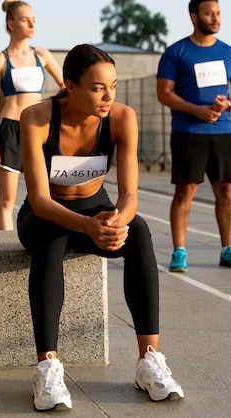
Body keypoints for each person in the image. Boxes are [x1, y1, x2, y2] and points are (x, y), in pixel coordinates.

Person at [16, 44, 184, 411]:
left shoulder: (122, 118)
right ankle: (47, 367)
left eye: (114, 85)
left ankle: (149, 360)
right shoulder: (36, 119)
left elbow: (129, 195)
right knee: (52, 234)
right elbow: (41, 201)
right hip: (43, 215)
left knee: (138, 230)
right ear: (70, 85)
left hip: (97, 207)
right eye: (97, 87)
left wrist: (115, 222)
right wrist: (87, 227)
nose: (108, 96)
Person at [156, 0, 231, 273]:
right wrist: (195, 110)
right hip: (188, 132)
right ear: (194, 17)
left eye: (218, 13)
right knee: (185, 190)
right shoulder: (176, 52)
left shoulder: (230, 53)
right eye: (209, 13)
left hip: (223, 132)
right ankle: (179, 251)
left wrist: (228, 104)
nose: (216, 18)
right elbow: (164, 93)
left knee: (226, 190)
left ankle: (228, 249)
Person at [0, 0, 64, 230]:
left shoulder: (42, 55)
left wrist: (49, 109)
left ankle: (42, 247)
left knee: (44, 197)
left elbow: (65, 86)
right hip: (9, 131)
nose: (31, 24)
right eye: (24, 19)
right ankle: (6, 254)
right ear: (11, 24)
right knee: (6, 201)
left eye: (33, 19)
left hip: (38, 129)